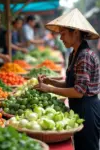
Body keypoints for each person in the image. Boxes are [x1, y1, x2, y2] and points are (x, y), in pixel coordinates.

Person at [34, 8, 100, 150]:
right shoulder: (74, 54)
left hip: (87, 108)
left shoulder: (85, 56)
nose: (60, 38)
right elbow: (70, 84)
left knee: (88, 146)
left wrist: (49, 89)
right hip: (79, 106)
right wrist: (50, 81)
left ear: (75, 32)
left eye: (63, 34)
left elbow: (78, 91)